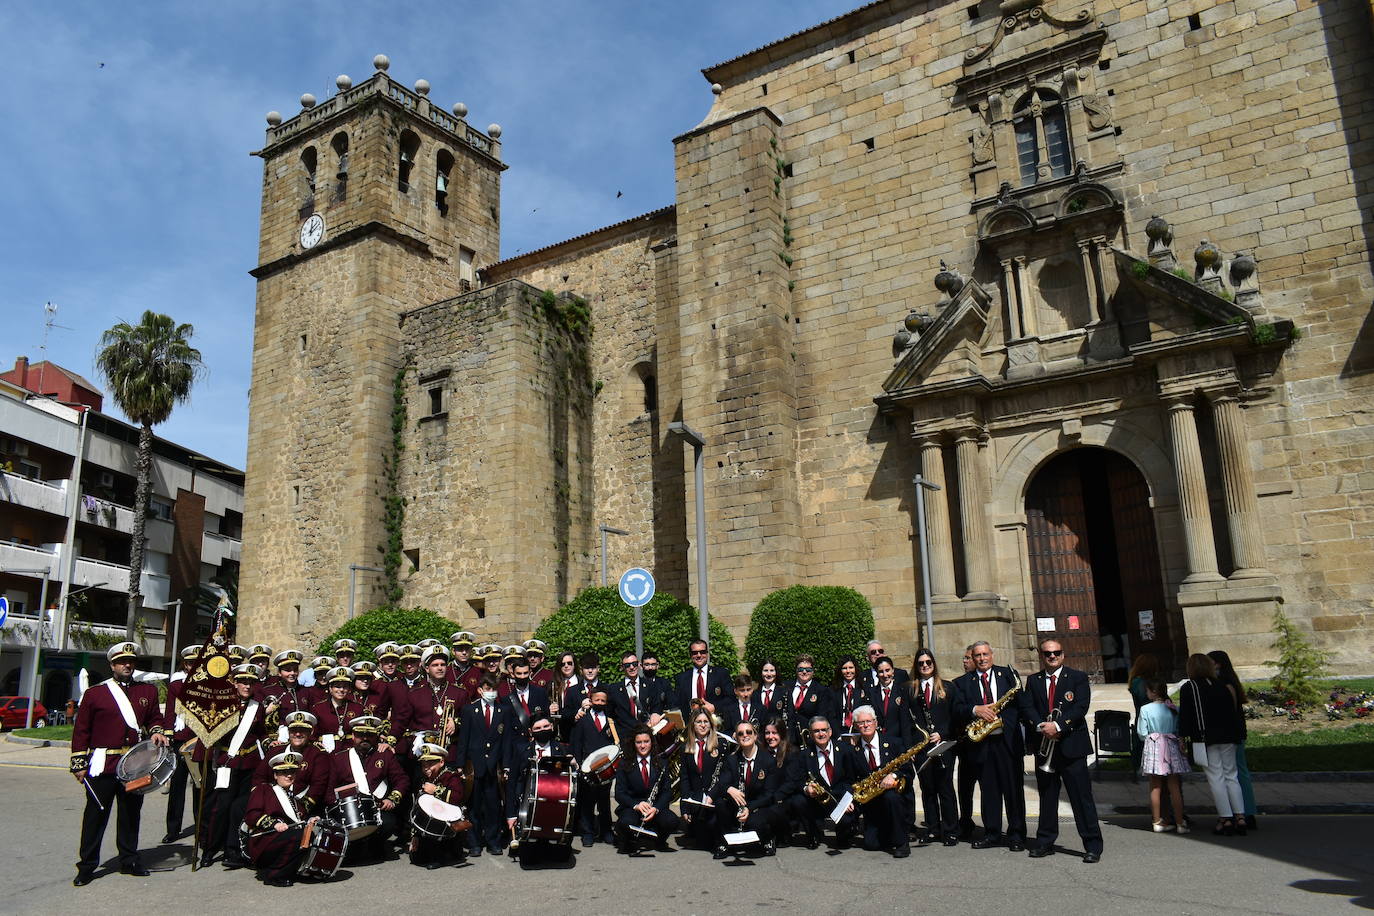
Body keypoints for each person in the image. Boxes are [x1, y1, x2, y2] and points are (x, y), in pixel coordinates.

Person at [69, 641, 168, 887]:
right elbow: (81, 731)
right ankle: (87, 866)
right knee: (95, 816)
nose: (127, 665)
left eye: (131, 661)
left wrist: (156, 730)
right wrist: (79, 763)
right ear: (112, 665)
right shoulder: (95, 693)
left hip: (135, 763)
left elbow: (155, 718)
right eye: (122, 661)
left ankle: (129, 860)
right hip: (103, 763)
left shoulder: (147, 692)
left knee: (130, 815)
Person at [1023, 638, 1103, 863]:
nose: (1052, 657)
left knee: (1081, 798)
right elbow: (1028, 707)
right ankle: (1045, 841)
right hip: (1044, 747)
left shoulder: (1076, 678)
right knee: (1047, 798)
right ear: (1042, 655)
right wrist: (1042, 726)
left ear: (1063, 655)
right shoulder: (1034, 680)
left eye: (1056, 653)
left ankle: (1093, 845)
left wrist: (1058, 726)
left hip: (1071, 747)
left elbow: (1080, 707)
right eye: (1047, 653)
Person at [952, 640, 1029, 850]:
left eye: (985, 654)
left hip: (1007, 742)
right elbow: (957, 709)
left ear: (992, 655)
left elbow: (1021, 705)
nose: (982, 659)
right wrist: (975, 709)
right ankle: (992, 833)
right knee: (989, 791)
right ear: (972, 658)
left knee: (1013, 791)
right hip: (981, 744)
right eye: (977, 655)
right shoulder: (961, 682)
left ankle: (1016, 835)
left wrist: (1006, 721)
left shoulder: (1008, 676)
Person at [202, 663, 268, 870]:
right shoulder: (222, 705)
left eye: (251, 682)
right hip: (227, 762)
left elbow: (261, 732)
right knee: (220, 807)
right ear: (235, 683)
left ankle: (232, 847)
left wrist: (269, 742)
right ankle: (210, 848)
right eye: (243, 682)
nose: (247, 686)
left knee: (239, 808)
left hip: (249, 762)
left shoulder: (257, 707)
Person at [1178, 653, 1247, 836]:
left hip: (1205, 738)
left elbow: (1185, 715)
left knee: (1216, 777)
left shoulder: (1189, 687)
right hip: (1228, 736)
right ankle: (1240, 816)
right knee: (1232, 776)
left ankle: (1225, 818)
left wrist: (1182, 737)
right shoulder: (1222, 685)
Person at [330, 715, 407, 863]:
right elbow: (329, 788)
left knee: (388, 822)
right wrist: (337, 807)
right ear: (353, 736)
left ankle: (375, 845)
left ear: (375, 736)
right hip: (349, 810)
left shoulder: (384, 755)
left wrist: (392, 798)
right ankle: (356, 846)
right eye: (360, 735)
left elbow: (401, 779)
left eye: (370, 735)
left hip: (377, 807)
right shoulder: (340, 758)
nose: (365, 738)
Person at [456, 673, 514, 856]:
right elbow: (463, 739)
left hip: (493, 767)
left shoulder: (503, 710)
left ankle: (493, 841)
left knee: (493, 806)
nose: (491, 693)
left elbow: (506, 741)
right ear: (480, 690)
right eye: (488, 689)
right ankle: (474, 843)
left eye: (494, 689)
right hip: (475, 766)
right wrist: (460, 764)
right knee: (473, 806)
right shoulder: (468, 710)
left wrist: (506, 766)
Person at [243, 751, 317, 887]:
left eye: (293, 772)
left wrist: (310, 821)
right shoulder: (263, 789)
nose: (289, 775)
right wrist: (274, 824)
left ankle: (294, 871)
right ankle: (273, 874)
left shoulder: (294, 798)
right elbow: (252, 815)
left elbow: (299, 819)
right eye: (284, 772)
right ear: (275, 775)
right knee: (297, 837)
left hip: (282, 839)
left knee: (308, 835)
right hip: (264, 841)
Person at [908, 648, 958, 845]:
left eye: (928, 662)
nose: (925, 666)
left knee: (945, 788)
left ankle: (951, 830)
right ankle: (932, 828)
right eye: (921, 663)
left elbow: (955, 716)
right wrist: (911, 746)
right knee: (927, 789)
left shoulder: (947, 687)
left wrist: (943, 733)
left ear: (934, 664)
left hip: (943, 745)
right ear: (916, 666)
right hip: (922, 746)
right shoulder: (910, 689)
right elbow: (907, 720)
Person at [851, 706, 911, 857]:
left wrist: (894, 775)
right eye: (861, 722)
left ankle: (902, 843)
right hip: (871, 801)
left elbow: (908, 769)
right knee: (872, 845)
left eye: (868, 721)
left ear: (876, 722)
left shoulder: (894, 742)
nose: (865, 725)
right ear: (856, 726)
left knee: (892, 798)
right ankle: (886, 832)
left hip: (892, 794)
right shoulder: (853, 750)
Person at [712, 720, 777, 858]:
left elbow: (769, 794)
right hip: (738, 805)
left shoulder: (768, 760)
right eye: (741, 733)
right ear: (736, 737)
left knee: (755, 822)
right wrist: (729, 789)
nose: (745, 735)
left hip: (758, 806)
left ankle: (767, 839)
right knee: (720, 803)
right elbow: (721, 783)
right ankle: (724, 842)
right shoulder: (732, 760)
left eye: (749, 732)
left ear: (755, 736)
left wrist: (750, 807)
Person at [1209, 649, 1257, 831]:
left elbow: (1227, 710)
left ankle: (1242, 812)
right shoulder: (1231, 681)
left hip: (1231, 733)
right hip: (1237, 731)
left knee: (1233, 773)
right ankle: (1247, 812)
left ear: (1218, 664)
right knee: (1239, 772)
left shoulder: (1223, 682)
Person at [1137, 678, 1190, 834]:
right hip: (1172, 745)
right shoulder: (1173, 708)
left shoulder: (1145, 709)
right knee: (1174, 787)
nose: (1146, 693)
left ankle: (1157, 821)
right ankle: (1180, 823)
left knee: (1155, 786)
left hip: (1154, 746)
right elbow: (1178, 730)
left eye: (1147, 690)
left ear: (1153, 692)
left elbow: (1142, 733)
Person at [252, 710, 333, 812]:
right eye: (294, 730)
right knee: (238, 807)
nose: (298, 734)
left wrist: (299, 811)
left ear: (311, 732)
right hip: (273, 803)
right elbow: (259, 778)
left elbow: (318, 787)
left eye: (302, 730)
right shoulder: (276, 750)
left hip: (302, 807)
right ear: (288, 732)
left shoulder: (317, 753)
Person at [613, 726, 679, 852]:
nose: (643, 746)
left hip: (653, 807)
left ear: (652, 743)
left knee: (672, 821)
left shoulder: (661, 762)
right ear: (634, 744)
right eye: (639, 742)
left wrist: (656, 808)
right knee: (625, 823)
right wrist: (636, 805)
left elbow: (667, 792)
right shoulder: (624, 763)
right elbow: (619, 793)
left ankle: (659, 840)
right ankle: (629, 840)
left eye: (646, 741)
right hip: (633, 807)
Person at [799, 716, 860, 849]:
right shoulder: (804, 754)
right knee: (799, 801)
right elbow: (798, 780)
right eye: (816, 731)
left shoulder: (845, 750)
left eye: (824, 730)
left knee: (844, 840)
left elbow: (853, 779)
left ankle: (846, 832)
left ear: (830, 731)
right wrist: (806, 788)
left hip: (840, 798)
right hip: (817, 800)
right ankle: (814, 834)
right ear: (810, 734)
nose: (821, 734)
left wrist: (848, 800)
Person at [569, 684, 617, 847]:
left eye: (603, 700)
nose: (600, 703)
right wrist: (577, 761)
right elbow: (576, 742)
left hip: (605, 768)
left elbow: (614, 743)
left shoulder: (610, 720)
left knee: (604, 802)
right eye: (597, 700)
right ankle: (587, 832)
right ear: (591, 700)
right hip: (586, 768)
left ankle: (606, 831)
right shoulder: (583, 720)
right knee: (587, 802)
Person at [162, 645, 201, 843]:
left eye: (196, 663)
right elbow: (170, 710)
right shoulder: (176, 684)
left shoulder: (208, 683)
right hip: (180, 738)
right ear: (184, 664)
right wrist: (168, 734)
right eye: (189, 663)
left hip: (199, 740)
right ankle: (173, 829)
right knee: (177, 786)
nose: (192, 666)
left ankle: (200, 828)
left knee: (198, 785)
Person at [411, 741, 468, 868]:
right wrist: (415, 835)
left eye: (430, 764)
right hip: (428, 824)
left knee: (434, 853)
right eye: (423, 764)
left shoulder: (451, 776)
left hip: (447, 824)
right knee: (416, 857)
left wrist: (436, 791)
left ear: (441, 762)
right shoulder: (422, 778)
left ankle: (443, 854)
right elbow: (417, 808)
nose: (426, 768)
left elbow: (457, 797)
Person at [678, 706, 726, 850]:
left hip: (715, 797)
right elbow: (685, 778)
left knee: (712, 831)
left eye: (706, 721)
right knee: (701, 842)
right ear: (693, 724)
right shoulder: (685, 747)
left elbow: (724, 776)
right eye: (699, 721)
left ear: (711, 724)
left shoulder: (721, 745)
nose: (703, 725)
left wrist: (711, 795)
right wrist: (685, 806)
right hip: (696, 798)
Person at [760, 720, 806, 845]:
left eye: (774, 733)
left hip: (783, 796)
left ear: (782, 734)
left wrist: (774, 797)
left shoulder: (792, 752)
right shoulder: (761, 751)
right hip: (767, 795)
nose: (770, 737)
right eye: (767, 733)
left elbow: (791, 782)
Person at [608, 651, 666, 738]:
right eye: (627, 665)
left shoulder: (650, 685)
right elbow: (610, 713)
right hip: (625, 737)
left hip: (648, 735)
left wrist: (655, 713)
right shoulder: (613, 689)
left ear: (639, 664)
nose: (631, 667)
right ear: (622, 667)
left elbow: (657, 705)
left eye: (634, 664)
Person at [783, 655, 835, 747]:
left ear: (813, 671)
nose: (804, 672)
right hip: (787, 738)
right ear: (796, 670)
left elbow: (821, 716)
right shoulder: (785, 687)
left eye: (808, 669)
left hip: (809, 739)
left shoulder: (821, 691)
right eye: (800, 669)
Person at [954, 644, 978, 840]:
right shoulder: (957, 683)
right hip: (966, 746)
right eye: (964, 658)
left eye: (968, 658)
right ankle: (965, 820)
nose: (965, 661)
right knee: (965, 788)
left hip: (985, 745)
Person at [311, 666, 363, 751]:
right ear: (330, 688)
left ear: (349, 689)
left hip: (350, 753)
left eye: (345, 686)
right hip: (326, 753)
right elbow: (312, 736)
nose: (341, 690)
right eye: (337, 686)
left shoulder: (358, 708)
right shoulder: (318, 709)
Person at [674, 639, 732, 715]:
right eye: (695, 653)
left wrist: (715, 707)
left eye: (702, 652)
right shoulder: (681, 678)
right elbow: (677, 703)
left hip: (715, 721)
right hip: (691, 723)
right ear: (690, 655)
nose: (699, 655)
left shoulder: (721, 674)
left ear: (707, 654)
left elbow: (731, 698)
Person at [862, 655, 910, 743]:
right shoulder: (870, 693)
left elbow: (906, 722)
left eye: (887, 670)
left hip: (899, 742)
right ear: (876, 673)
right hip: (878, 742)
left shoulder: (903, 692)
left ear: (893, 671)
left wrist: (908, 745)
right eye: (881, 671)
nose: (885, 675)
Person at [834, 655, 863, 733]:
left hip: (859, 732)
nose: (848, 671)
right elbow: (831, 715)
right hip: (839, 732)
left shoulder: (864, 688)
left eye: (851, 667)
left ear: (855, 669)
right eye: (844, 668)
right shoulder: (833, 690)